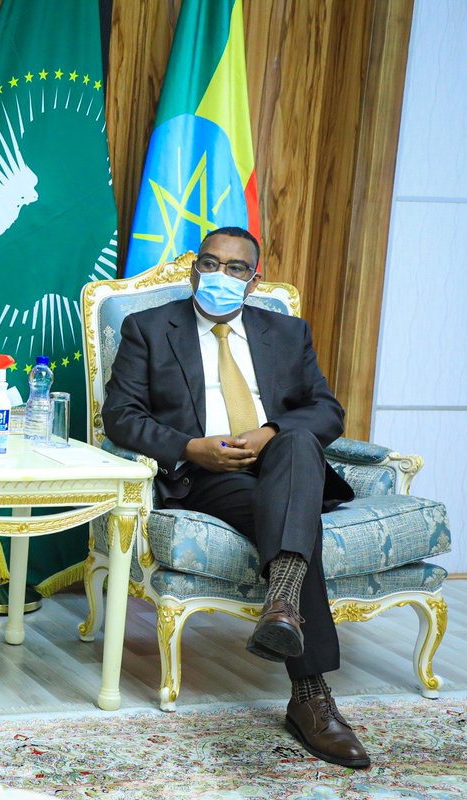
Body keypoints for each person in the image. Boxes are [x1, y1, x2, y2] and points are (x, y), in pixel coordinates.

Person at [102, 227, 369, 769]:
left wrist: (270, 433)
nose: (220, 275)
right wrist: (190, 447)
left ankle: (283, 606)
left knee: (297, 441)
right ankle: (311, 696)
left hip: (283, 464)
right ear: (193, 269)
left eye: (236, 268)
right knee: (296, 523)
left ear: (254, 280)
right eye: (210, 263)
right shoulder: (149, 328)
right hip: (208, 473)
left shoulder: (287, 332)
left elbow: (326, 411)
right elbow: (120, 417)